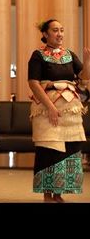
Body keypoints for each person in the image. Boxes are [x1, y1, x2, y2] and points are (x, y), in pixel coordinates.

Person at [28, 19, 90, 203]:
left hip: (69, 110)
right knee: (49, 149)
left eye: (62, 30)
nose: (60, 34)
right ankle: (47, 194)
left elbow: (83, 78)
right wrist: (51, 107)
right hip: (47, 108)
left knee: (69, 149)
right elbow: (33, 83)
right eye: (55, 30)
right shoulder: (37, 55)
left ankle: (59, 193)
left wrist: (86, 62)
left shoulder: (69, 54)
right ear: (45, 34)